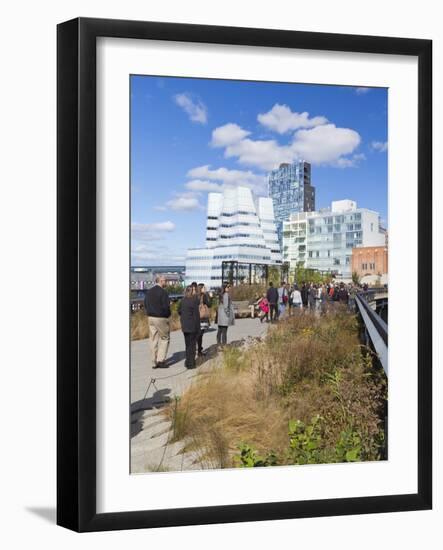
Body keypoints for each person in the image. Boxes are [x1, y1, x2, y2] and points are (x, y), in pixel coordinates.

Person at [143, 275, 171, 368]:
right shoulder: (163, 292)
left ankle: (153, 361)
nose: (166, 282)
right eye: (165, 281)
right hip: (161, 317)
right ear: (161, 281)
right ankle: (160, 360)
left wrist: (148, 312)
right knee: (164, 338)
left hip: (150, 317)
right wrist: (167, 315)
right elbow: (166, 307)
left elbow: (145, 304)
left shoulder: (149, 292)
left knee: (153, 339)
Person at [178, 286, 200, 369]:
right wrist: (198, 328)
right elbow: (196, 316)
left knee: (187, 345)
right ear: (191, 292)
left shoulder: (182, 300)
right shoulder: (193, 301)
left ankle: (188, 362)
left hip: (185, 325)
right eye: (193, 290)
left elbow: (179, 311)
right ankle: (191, 363)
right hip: (192, 326)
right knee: (192, 345)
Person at [197, 283, 210, 356]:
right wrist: (208, 296)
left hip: (196, 317)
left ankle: (198, 349)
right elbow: (209, 304)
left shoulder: (195, 296)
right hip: (202, 317)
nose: (205, 289)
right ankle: (199, 350)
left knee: (198, 334)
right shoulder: (204, 296)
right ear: (201, 289)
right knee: (200, 334)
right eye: (204, 288)